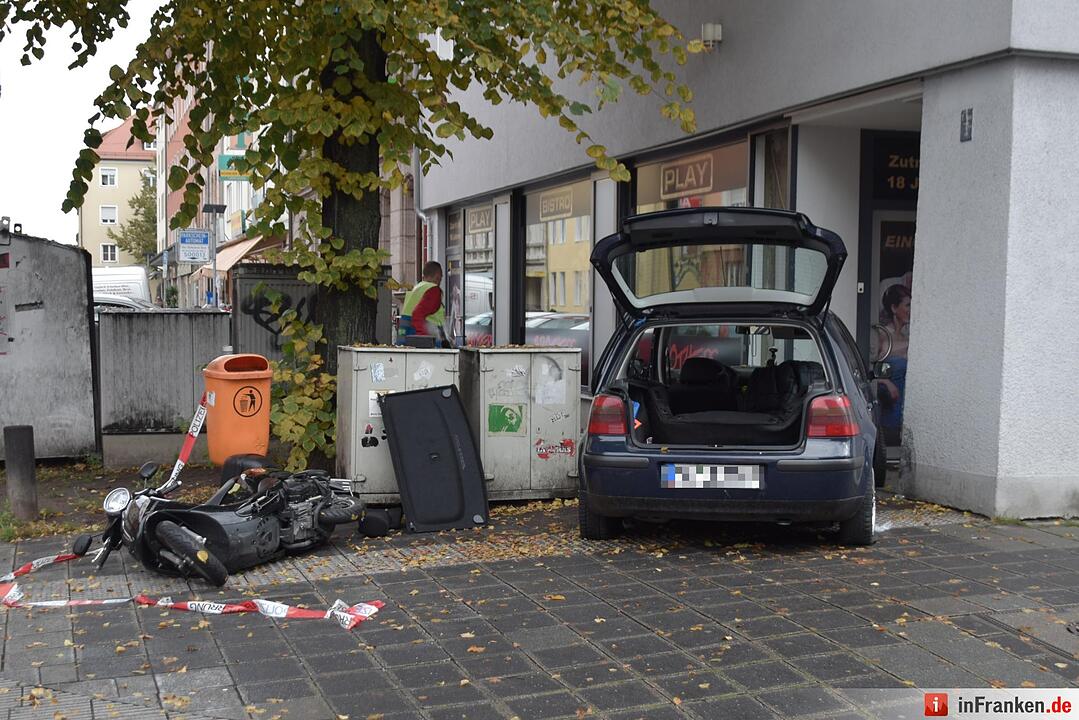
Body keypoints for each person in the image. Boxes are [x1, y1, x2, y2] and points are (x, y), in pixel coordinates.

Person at [874, 284, 911, 444]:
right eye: (908, 305)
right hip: (889, 409)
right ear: (894, 308)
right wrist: (886, 382)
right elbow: (869, 368)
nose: (911, 309)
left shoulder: (907, 338)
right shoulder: (882, 334)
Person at [399, 261, 446, 341]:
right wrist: (425, 339)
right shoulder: (433, 290)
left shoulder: (416, 288)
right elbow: (417, 314)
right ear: (438, 277)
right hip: (422, 338)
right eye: (440, 278)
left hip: (406, 335)